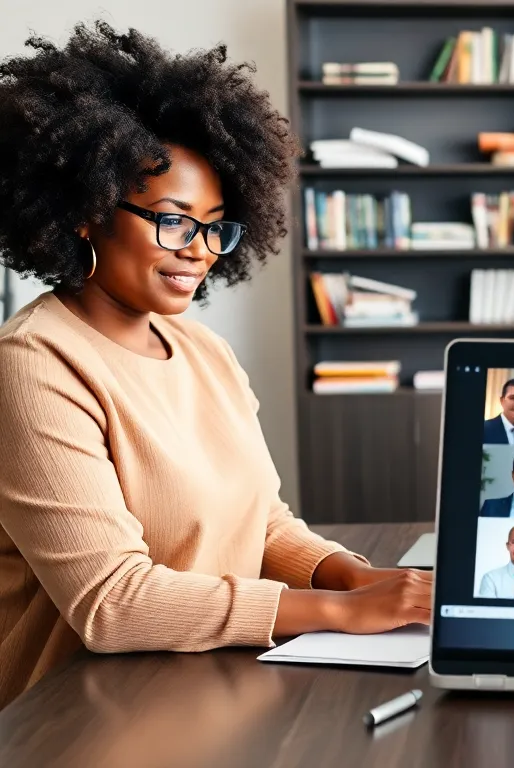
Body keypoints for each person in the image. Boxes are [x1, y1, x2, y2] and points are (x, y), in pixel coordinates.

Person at [0, 22, 432, 710]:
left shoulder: (205, 352)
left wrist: (353, 577)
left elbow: (261, 522)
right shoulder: (34, 365)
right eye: (173, 220)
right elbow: (112, 603)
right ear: (87, 211)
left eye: (214, 226)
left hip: (206, 686)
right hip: (78, 715)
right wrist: (339, 612)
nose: (199, 249)